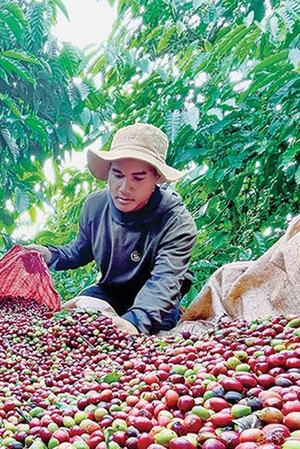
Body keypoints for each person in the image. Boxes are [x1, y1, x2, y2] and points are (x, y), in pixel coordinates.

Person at [27, 123, 197, 336]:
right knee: (72, 322)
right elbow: (80, 251)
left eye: (138, 177)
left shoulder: (176, 221)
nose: (125, 188)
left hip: (157, 302)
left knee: (152, 346)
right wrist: (49, 255)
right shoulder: (95, 206)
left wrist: (135, 322)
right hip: (111, 292)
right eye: (117, 175)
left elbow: (166, 281)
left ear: (157, 178)